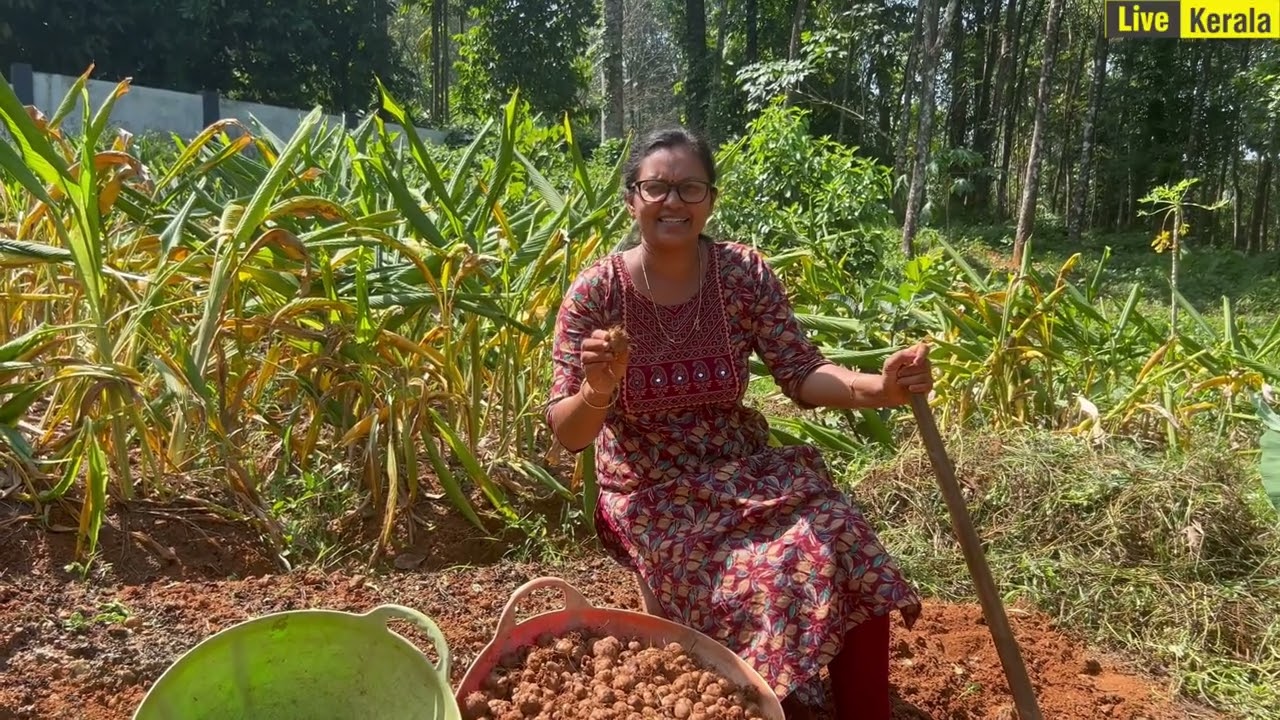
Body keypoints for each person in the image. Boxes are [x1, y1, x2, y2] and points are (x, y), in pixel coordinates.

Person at [544, 126, 933, 719]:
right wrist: (599, 388)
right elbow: (569, 432)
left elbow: (801, 372)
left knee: (844, 538)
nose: (672, 201)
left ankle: (861, 711)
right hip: (651, 489)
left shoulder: (742, 275)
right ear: (632, 200)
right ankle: (777, 701)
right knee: (763, 575)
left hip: (744, 471)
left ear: (710, 201)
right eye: (656, 187)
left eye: (689, 187)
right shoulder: (597, 294)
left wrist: (878, 388)